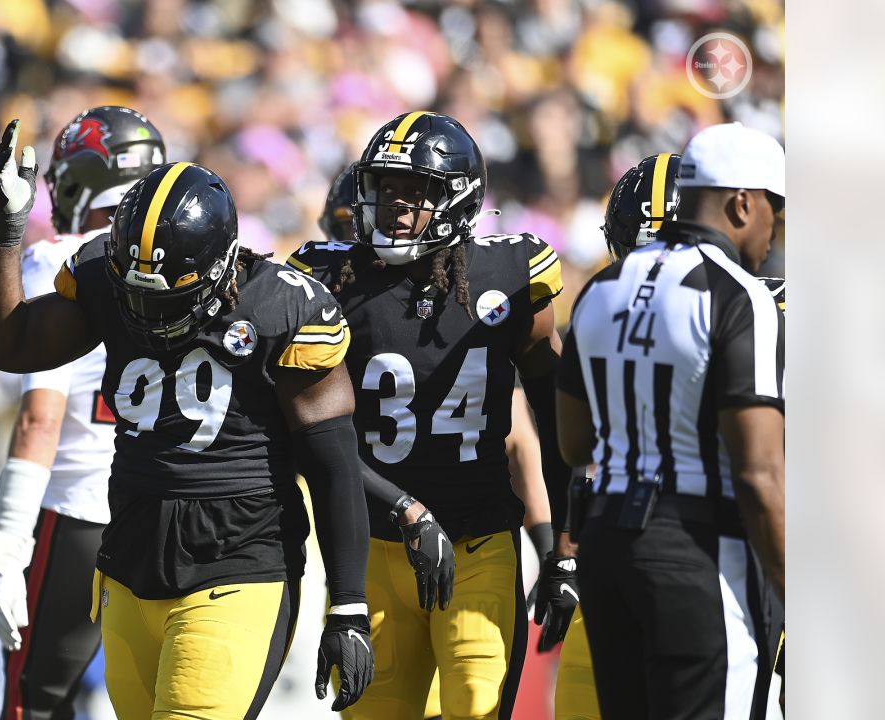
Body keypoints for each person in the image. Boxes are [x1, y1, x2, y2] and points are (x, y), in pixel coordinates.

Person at [0, 120, 375, 718]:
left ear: (220, 268)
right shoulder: (106, 280)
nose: (144, 310)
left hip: (238, 563)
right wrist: (5, 230)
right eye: (132, 291)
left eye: (163, 296)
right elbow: (6, 345)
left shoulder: (281, 306)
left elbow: (333, 463)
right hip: (128, 566)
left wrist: (348, 605)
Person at [286, 110, 575, 720]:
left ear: (457, 198)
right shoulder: (331, 280)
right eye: (387, 190)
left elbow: (553, 417)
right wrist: (399, 506)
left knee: (476, 709)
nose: (395, 207)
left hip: (479, 544)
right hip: (371, 547)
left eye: (414, 193)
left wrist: (560, 544)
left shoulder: (509, 277)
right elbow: (310, 434)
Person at [556, 122, 786, 719]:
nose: (775, 232)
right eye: (774, 213)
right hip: (700, 545)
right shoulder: (738, 294)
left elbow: (574, 441)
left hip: (606, 543)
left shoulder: (601, 286)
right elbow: (759, 476)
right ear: (743, 202)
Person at [0, 106, 166, 720]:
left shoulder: (57, 259)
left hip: (79, 514)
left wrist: (9, 546)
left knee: (33, 701)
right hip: (163, 509)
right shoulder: (189, 257)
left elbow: (41, 417)